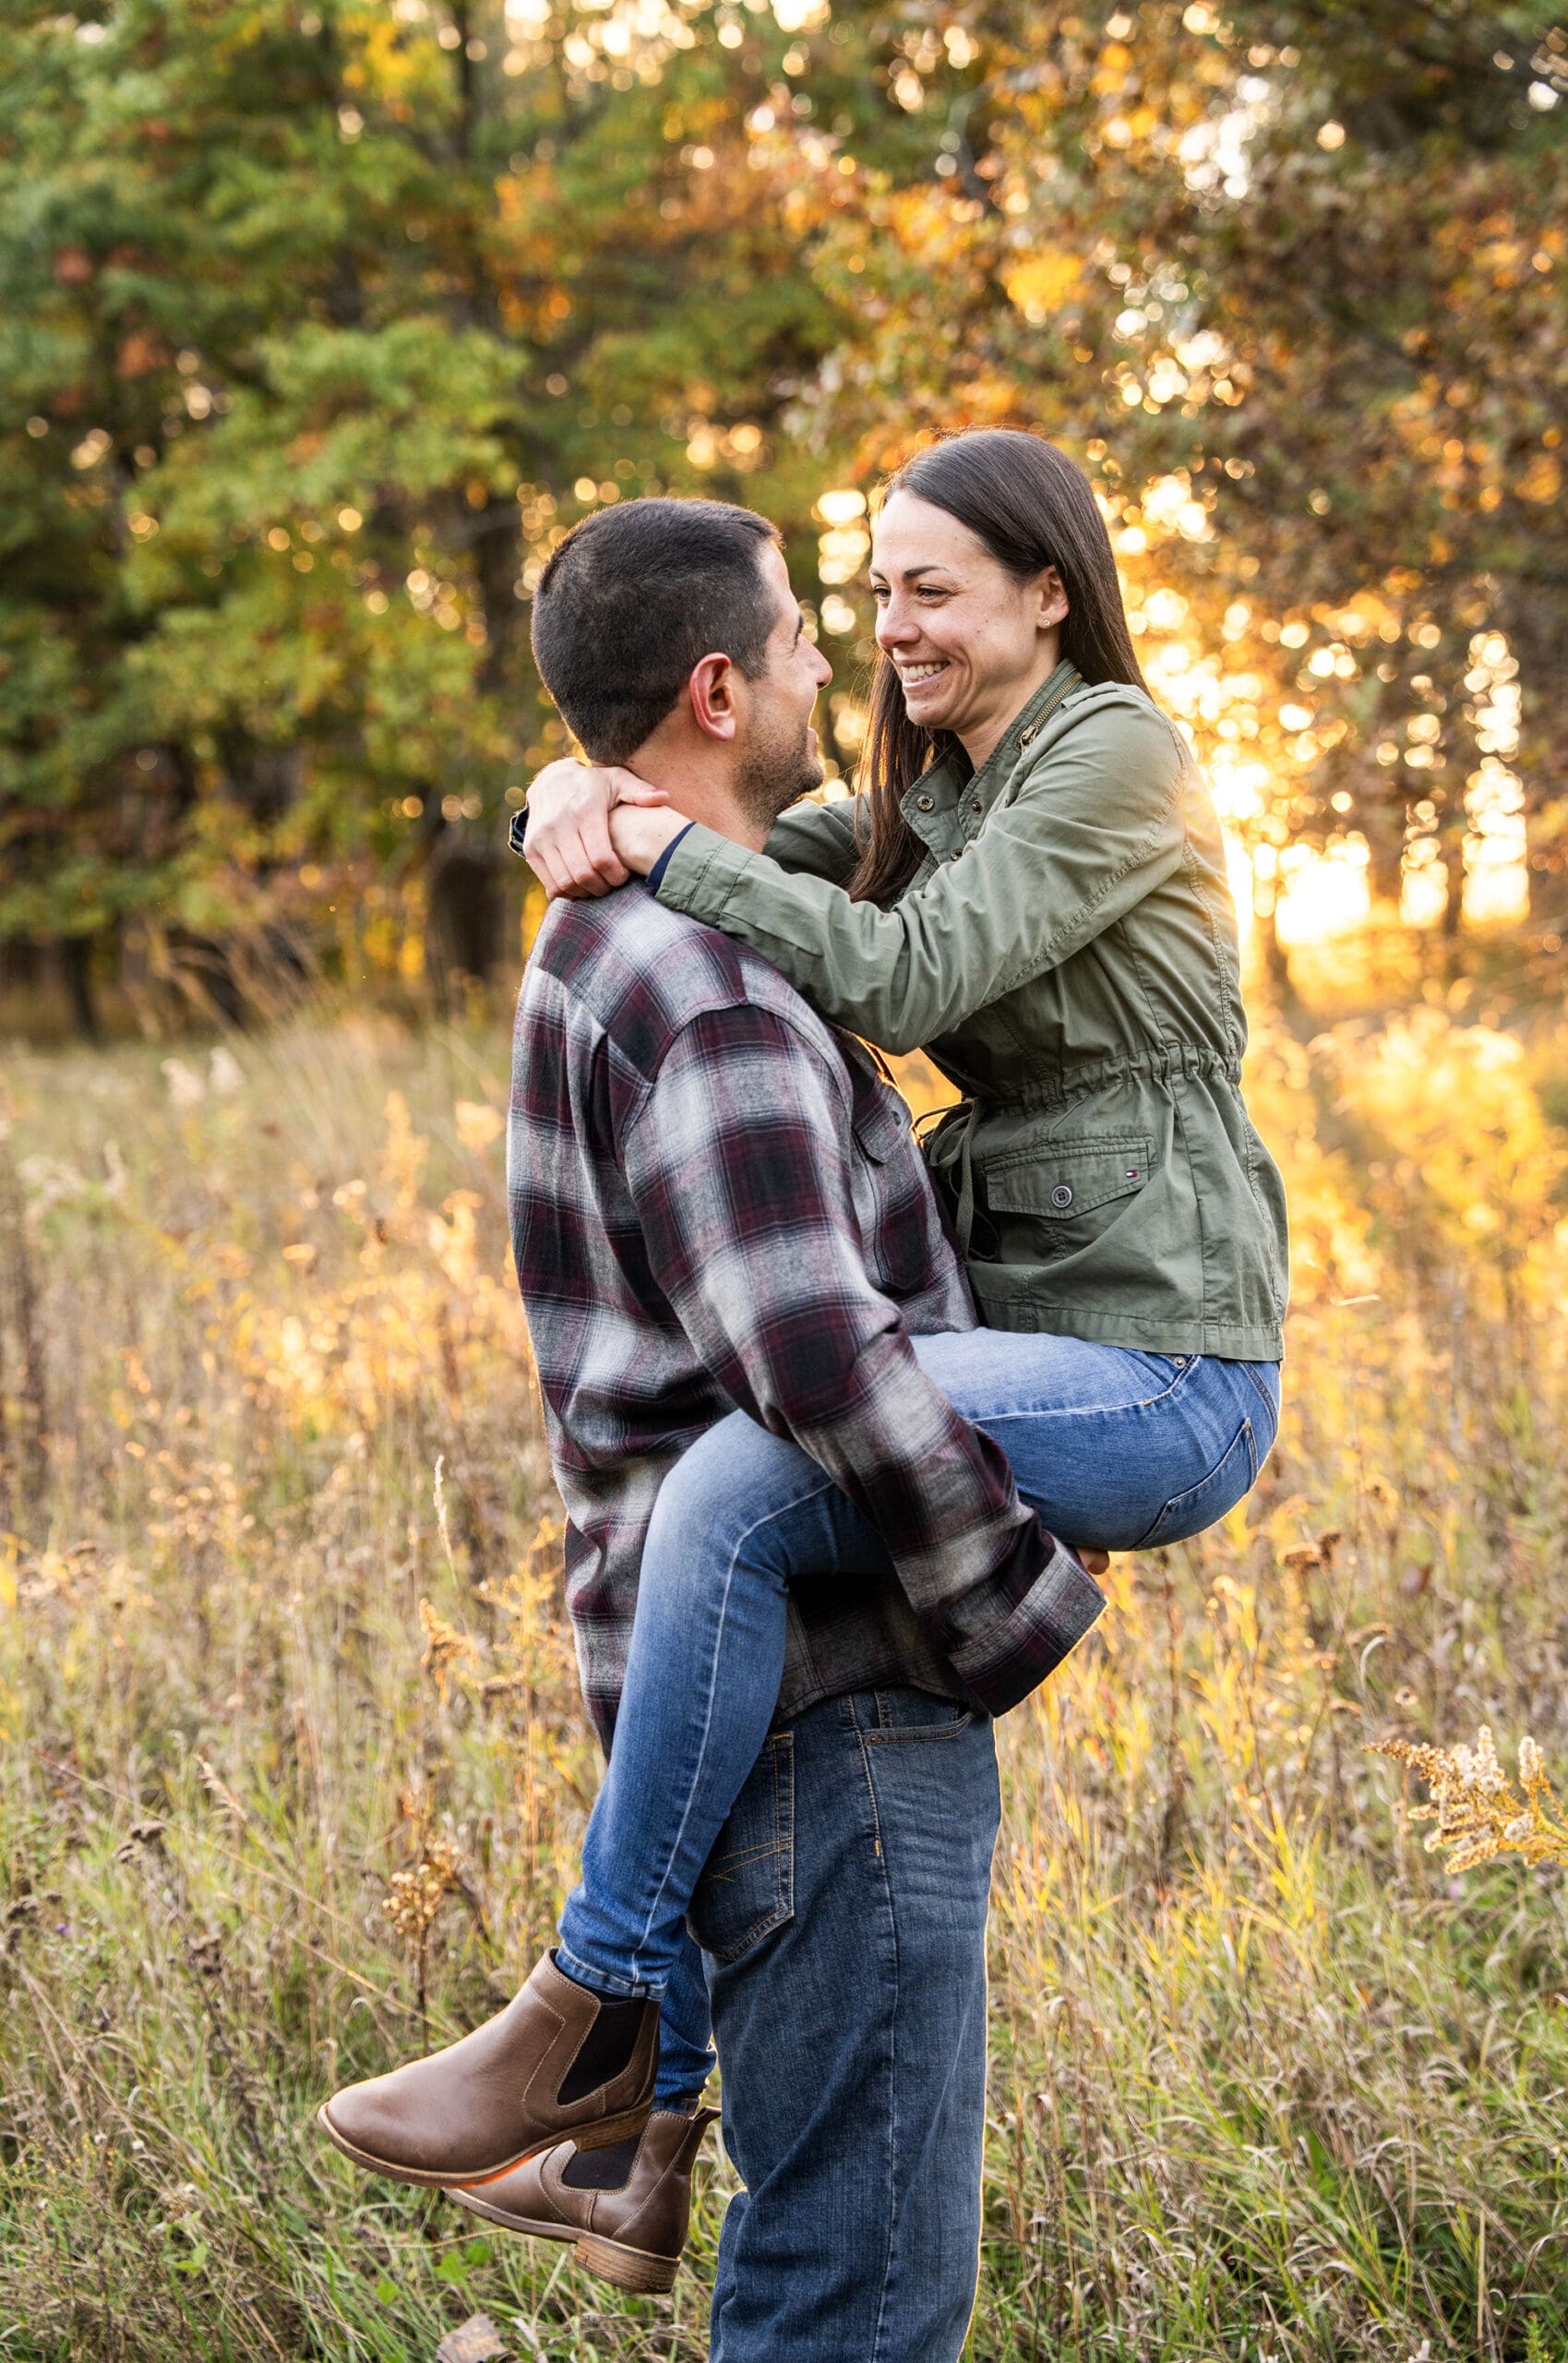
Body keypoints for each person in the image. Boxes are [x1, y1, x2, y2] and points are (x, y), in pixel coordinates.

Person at [320, 493, 1108, 2360]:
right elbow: (813, 1356)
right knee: (853, 2280)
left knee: (828, 2253)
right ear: (713, 687)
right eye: (796, 640)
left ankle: (612, 2112)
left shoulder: (628, 929)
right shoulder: (707, 980)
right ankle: (594, 2049)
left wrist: (560, 788)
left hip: (746, 1698)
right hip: (829, 1712)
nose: (832, 663)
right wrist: (1018, 1590)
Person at [513, 432, 1287, 2200]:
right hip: (1037, 1339)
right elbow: (707, 818)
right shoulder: (932, 778)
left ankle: (599, 2009)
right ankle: (624, 2131)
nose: (889, 630)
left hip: (1167, 1366)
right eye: (871, 595)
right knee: (730, 1498)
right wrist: (563, 799)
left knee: (724, 1493)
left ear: (1047, 591)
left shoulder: (1118, 759)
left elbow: (904, 971)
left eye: (928, 590)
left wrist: (653, 841)